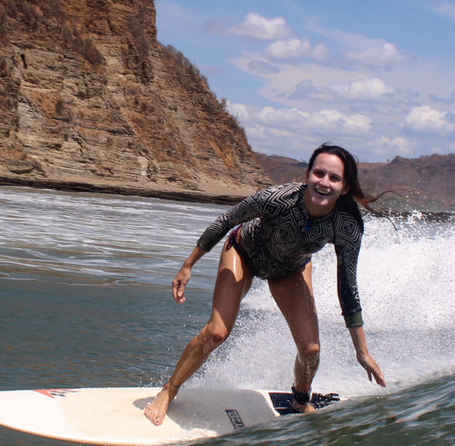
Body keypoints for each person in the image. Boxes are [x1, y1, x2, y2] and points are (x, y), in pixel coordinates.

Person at [144, 143, 387, 426]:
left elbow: (347, 285)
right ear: (307, 174)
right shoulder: (279, 198)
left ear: (345, 187)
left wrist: (362, 352)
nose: (324, 182)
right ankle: (169, 390)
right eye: (319, 173)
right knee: (217, 333)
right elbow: (227, 219)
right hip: (244, 252)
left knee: (310, 350)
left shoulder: (347, 225)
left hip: (289, 269)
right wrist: (188, 265)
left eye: (334, 178)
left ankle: (301, 398)